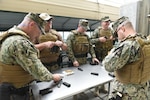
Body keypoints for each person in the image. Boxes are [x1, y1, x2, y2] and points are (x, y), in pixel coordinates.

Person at [0, 12, 62, 100]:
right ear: (31, 24)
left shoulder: (10, 36)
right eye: (40, 31)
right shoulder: (20, 42)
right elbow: (37, 70)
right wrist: (53, 77)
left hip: (10, 90)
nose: (39, 35)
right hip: (17, 94)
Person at [102, 16, 150, 100]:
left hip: (128, 93)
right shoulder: (145, 40)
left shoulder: (128, 45)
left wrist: (115, 49)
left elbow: (107, 66)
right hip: (143, 90)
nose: (117, 37)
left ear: (122, 29)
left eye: (117, 34)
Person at [91, 16, 114, 94]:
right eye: (105, 22)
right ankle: (96, 89)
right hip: (99, 55)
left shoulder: (111, 31)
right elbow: (90, 41)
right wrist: (99, 40)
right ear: (102, 23)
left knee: (105, 72)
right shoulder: (97, 31)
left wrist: (114, 38)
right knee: (97, 72)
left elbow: (115, 41)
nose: (107, 23)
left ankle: (102, 87)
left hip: (107, 55)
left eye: (108, 22)